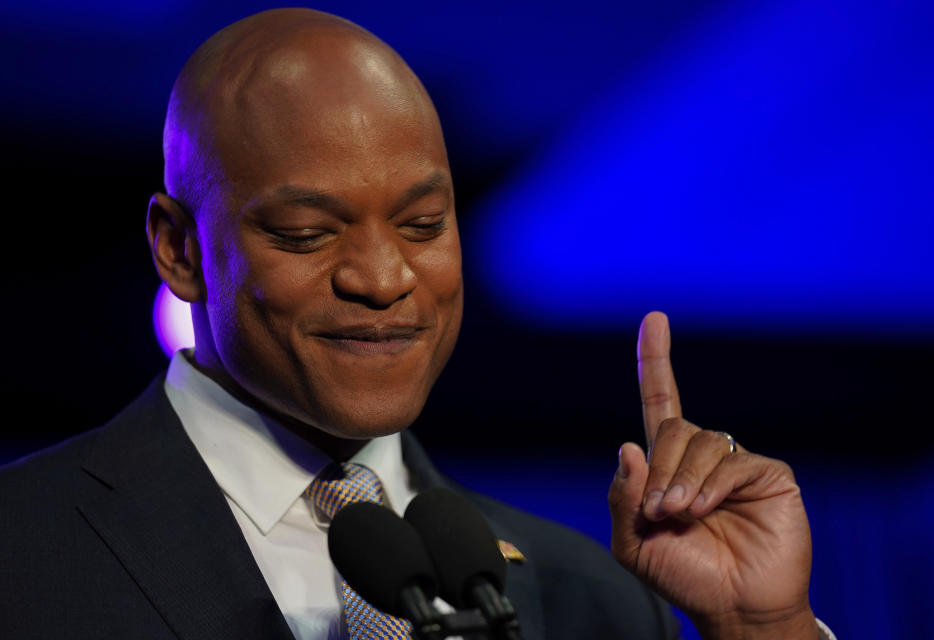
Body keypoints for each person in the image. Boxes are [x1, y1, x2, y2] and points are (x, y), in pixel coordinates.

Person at [0, 8, 832, 639]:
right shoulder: (22, 551)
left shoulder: (596, 597)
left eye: (424, 225)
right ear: (180, 249)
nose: (385, 278)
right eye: (306, 233)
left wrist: (766, 630)